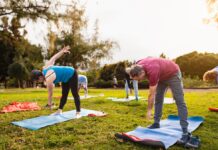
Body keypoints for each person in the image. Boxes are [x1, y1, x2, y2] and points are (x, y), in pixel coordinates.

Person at [128, 57, 190, 144]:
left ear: (142, 72)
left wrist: (149, 110)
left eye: (138, 79)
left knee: (179, 100)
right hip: (161, 76)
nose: (139, 81)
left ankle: (185, 131)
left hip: (173, 73)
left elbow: (151, 95)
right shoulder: (138, 64)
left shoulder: (153, 70)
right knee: (158, 99)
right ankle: (156, 123)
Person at [31, 46, 81, 118]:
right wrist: (62, 51)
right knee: (64, 94)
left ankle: (78, 112)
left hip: (72, 73)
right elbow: (54, 58)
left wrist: (49, 104)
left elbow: (50, 94)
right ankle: (59, 110)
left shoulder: (48, 79)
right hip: (65, 78)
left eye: (38, 80)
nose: (39, 82)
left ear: (40, 77)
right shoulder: (45, 67)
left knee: (75, 94)